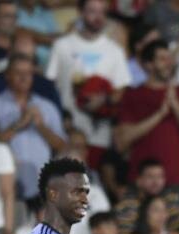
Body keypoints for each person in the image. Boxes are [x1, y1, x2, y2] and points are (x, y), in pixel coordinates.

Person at [46, 0, 132, 166]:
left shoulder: (115, 50)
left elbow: (121, 90)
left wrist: (104, 100)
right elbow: (50, 85)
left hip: (100, 133)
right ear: (80, 12)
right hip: (66, 131)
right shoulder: (62, 45)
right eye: (92, 11)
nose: (98, 17)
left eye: (102, 12)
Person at [115, 39, 179, 188]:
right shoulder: (134, 95)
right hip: (142, 180)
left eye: (170, 58)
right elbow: (122, 141)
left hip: (174, 179)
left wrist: (175, 105)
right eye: (162, 59)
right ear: (148, 64)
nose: (169, 63)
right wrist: (159, 114)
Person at [0, 53, 67, 202]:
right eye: (18, 73)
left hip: (42, 186)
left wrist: (41, 127)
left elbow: (62, 146)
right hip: (6, 185)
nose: (24, 78)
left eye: (28, 73)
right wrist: (19, 124)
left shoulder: (47, 106)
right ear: (7, 76)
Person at [115, 159, 179, 234]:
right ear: (139, 181)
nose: (156, 181)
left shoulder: (174, 201)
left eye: (160, 176)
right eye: (150, 176)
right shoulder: (126, 206)